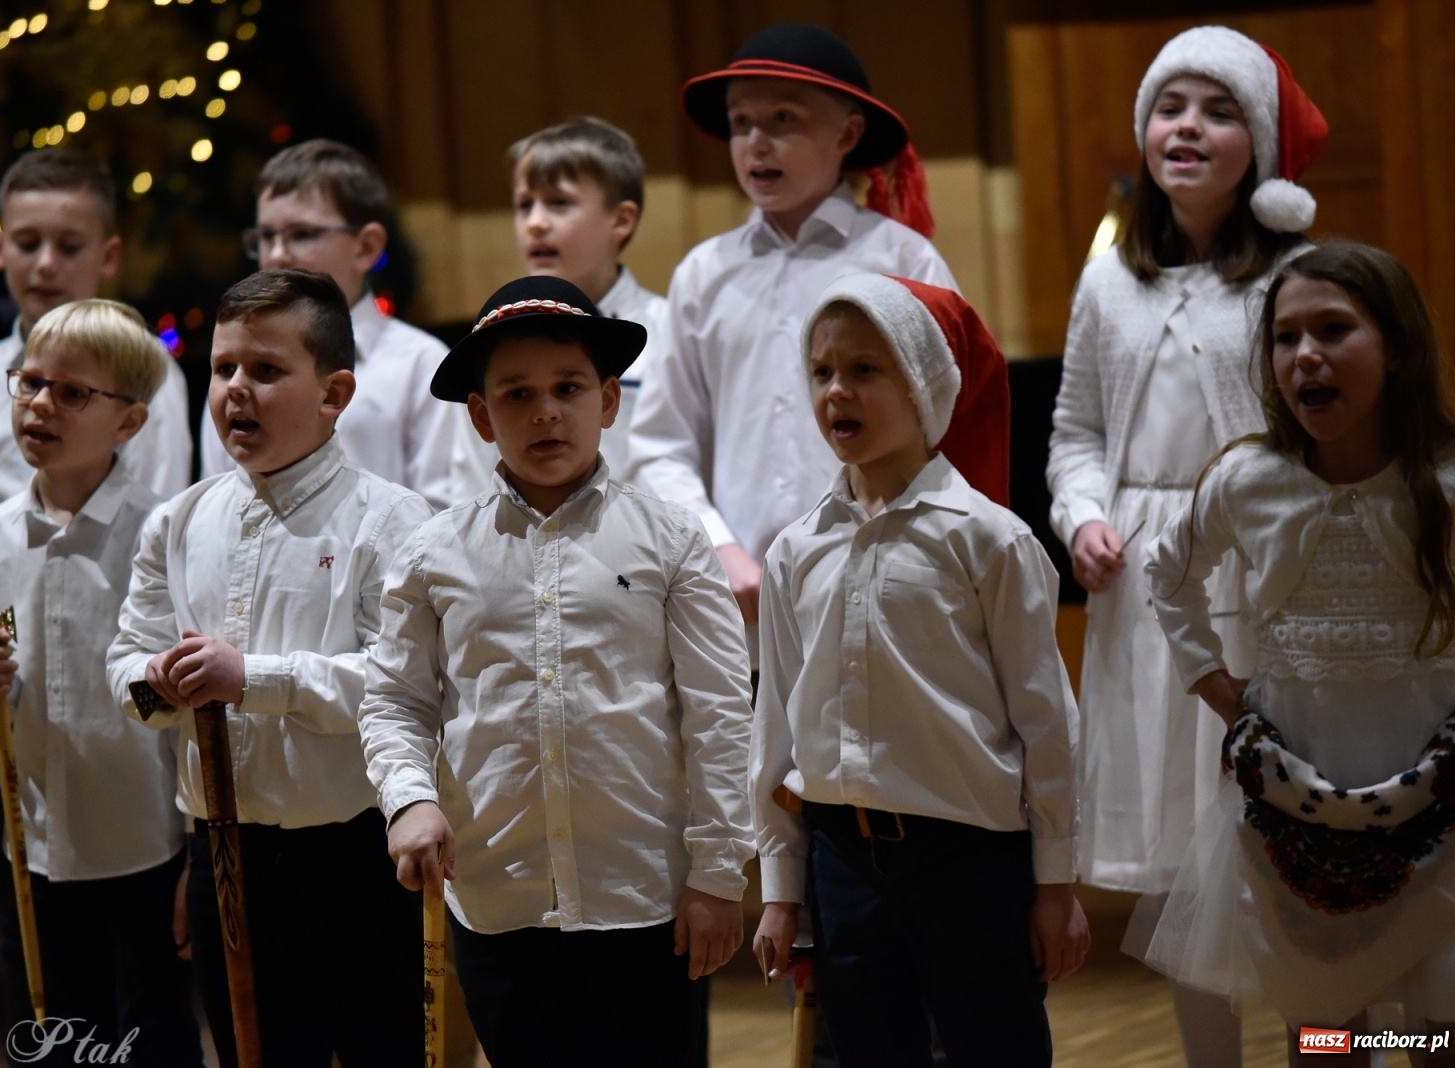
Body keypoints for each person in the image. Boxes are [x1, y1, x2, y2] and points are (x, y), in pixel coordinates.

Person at [363, 276, 754, 1068]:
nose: (546, 411)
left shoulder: (672, 539)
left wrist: (718, 875)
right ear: (481, 416)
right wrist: (408, 799)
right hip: (500, 901)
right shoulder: (433, 554)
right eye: (517, 394)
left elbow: (719, 714)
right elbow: (396, 701)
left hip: (646, 902)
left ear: (608, 401)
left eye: (568, 388)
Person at [1045, 27, 1326, 1065]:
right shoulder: (1108, 280)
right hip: (1144, 593)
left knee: (1288, 847)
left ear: (1258, 146)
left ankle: (1329, 1047)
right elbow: (1075, 432)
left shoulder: (1294, 274)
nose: (1188, 129)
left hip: (1260, 573)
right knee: (1176, 858)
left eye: (1218, 112)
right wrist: (1082, 515)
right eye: (1170, 108)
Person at [751, 274, 1087, 1067]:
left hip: (969, 860)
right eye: (823, 371)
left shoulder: (989, 540)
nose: (837, 390)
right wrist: (781, 890)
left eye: (866, 369)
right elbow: (776, 733)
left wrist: (1056, 886)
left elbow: (1047, 724)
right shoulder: (795, 551)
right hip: (843, 860)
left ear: (925, 385)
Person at [1140, 241, 1455, 1065]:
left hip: (1441, 796)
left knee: (1442, 1024)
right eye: (1286, 338)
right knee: (1324, 1032)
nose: (1305, 355)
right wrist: (1213, 683)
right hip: (1298, 801)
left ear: (1396, 348)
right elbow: (1167, 573)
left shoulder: (1451, 479)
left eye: (1333, 330)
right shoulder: (1248, 479)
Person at [106, 269, 434, 1068]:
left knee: (380, 1050)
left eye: (266, 369)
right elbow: (125, 663)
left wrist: (251, 678)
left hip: (353, 858)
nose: (236, 391)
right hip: (224, 851)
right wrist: (157, 679)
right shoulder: (179, 520)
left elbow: (399, 687)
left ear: (334, 393)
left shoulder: (392, 521)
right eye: (223, 368)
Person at [626, 21, 963, 653]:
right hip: (743, 602)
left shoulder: (903, 260)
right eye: (740, 123)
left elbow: (952, 429)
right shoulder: (704, 273)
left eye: (783, 119)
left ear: (847, 135)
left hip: (884, 584)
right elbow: (661, 444)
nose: (756, 143)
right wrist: (717, 546)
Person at [0, 298, 201, 1065]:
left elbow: (191, 708)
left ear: (129, 423)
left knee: (155, 1036)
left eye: (71, 393)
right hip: (33, 844)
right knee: (57, 1034)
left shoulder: (164, 534)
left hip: (143, 844)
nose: (39, 405)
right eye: (30, 382)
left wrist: (196, 851)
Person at [199, 138, 457, 509]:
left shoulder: (422, 364)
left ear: (366, 247)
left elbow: (443, 514)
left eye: (301, 234)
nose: (277, 255)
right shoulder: (234, 374)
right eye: (266, 236)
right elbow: (217, 501)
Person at [0, 148, 190, 510]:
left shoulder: (148, 373)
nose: (46, 264)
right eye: (27, 244)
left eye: (69, 248)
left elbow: (161, 517)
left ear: (108, 256)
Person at [454, 117, 667, 495]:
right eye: (524, 205)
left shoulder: (669, 333)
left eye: (559, 203)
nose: (535, 223)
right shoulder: (490, 340)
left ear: (620, 219)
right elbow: (471, 485)